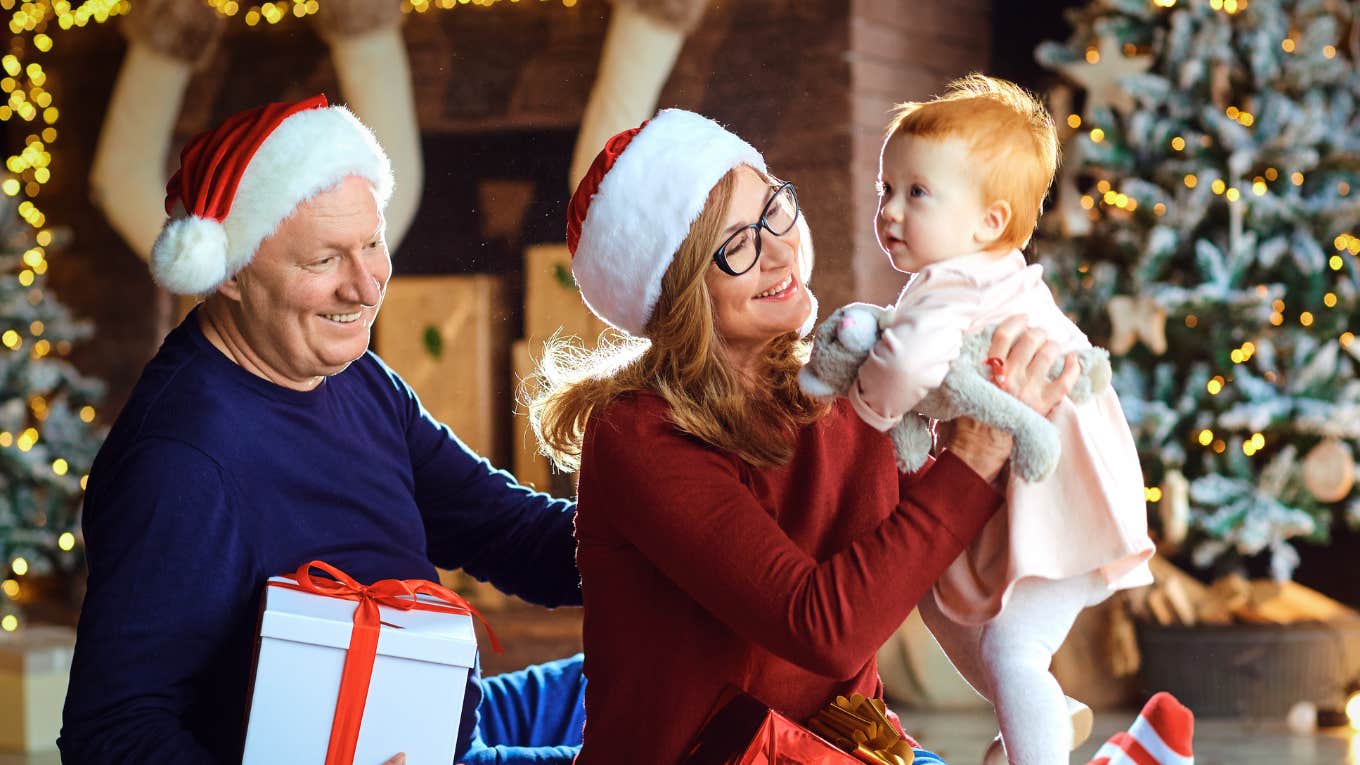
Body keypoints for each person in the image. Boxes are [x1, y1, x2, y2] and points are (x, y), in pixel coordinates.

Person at [527, 108, 1085, 765]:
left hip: (853, 749)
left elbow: (927, 551)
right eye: (735, 245)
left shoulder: (843, 379)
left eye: (775, 209)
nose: (778, 249)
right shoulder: (638, 430)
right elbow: (822, 627)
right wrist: (978, 452)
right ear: (675, 290)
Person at [59, 95, 584, 765]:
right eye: (324, 261)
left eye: (371, 242)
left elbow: (504, 529)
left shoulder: (354, 376)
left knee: (677, 687)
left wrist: (664, 538)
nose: (366, 286)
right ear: (231, 271)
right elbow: (111, 734)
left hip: (455, 717)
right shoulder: (180, 461)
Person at [850, 75, 1155, 765]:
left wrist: (863, 405)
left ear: (989, 220)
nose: (892, 212)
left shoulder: (950, 282)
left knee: (1011, 645)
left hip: (1055, 483)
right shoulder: (995, 270)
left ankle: (1035, 736)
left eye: (917, 193)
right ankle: (1040, 703)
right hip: (1055, 482)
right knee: (938, 597)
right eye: (885, 191)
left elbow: (905, 366)